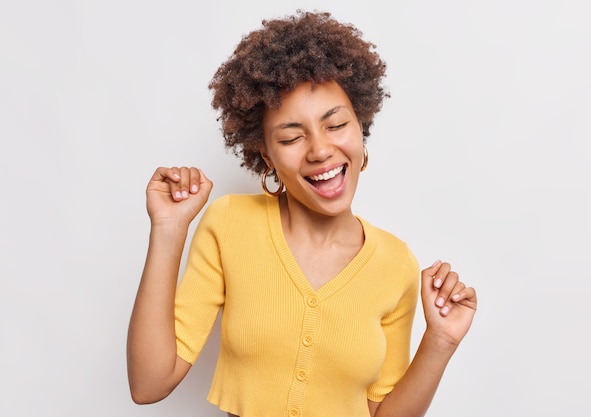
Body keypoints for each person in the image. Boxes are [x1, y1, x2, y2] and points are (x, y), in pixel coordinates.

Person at [126, 10, 477, 417]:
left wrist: (440, 343)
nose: (319, 150)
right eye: (292, 136)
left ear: (360, 128)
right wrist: (169, 230)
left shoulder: (396, 264)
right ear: (266, 155)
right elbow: (149, 384)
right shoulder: (229, 225)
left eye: (336, 124)